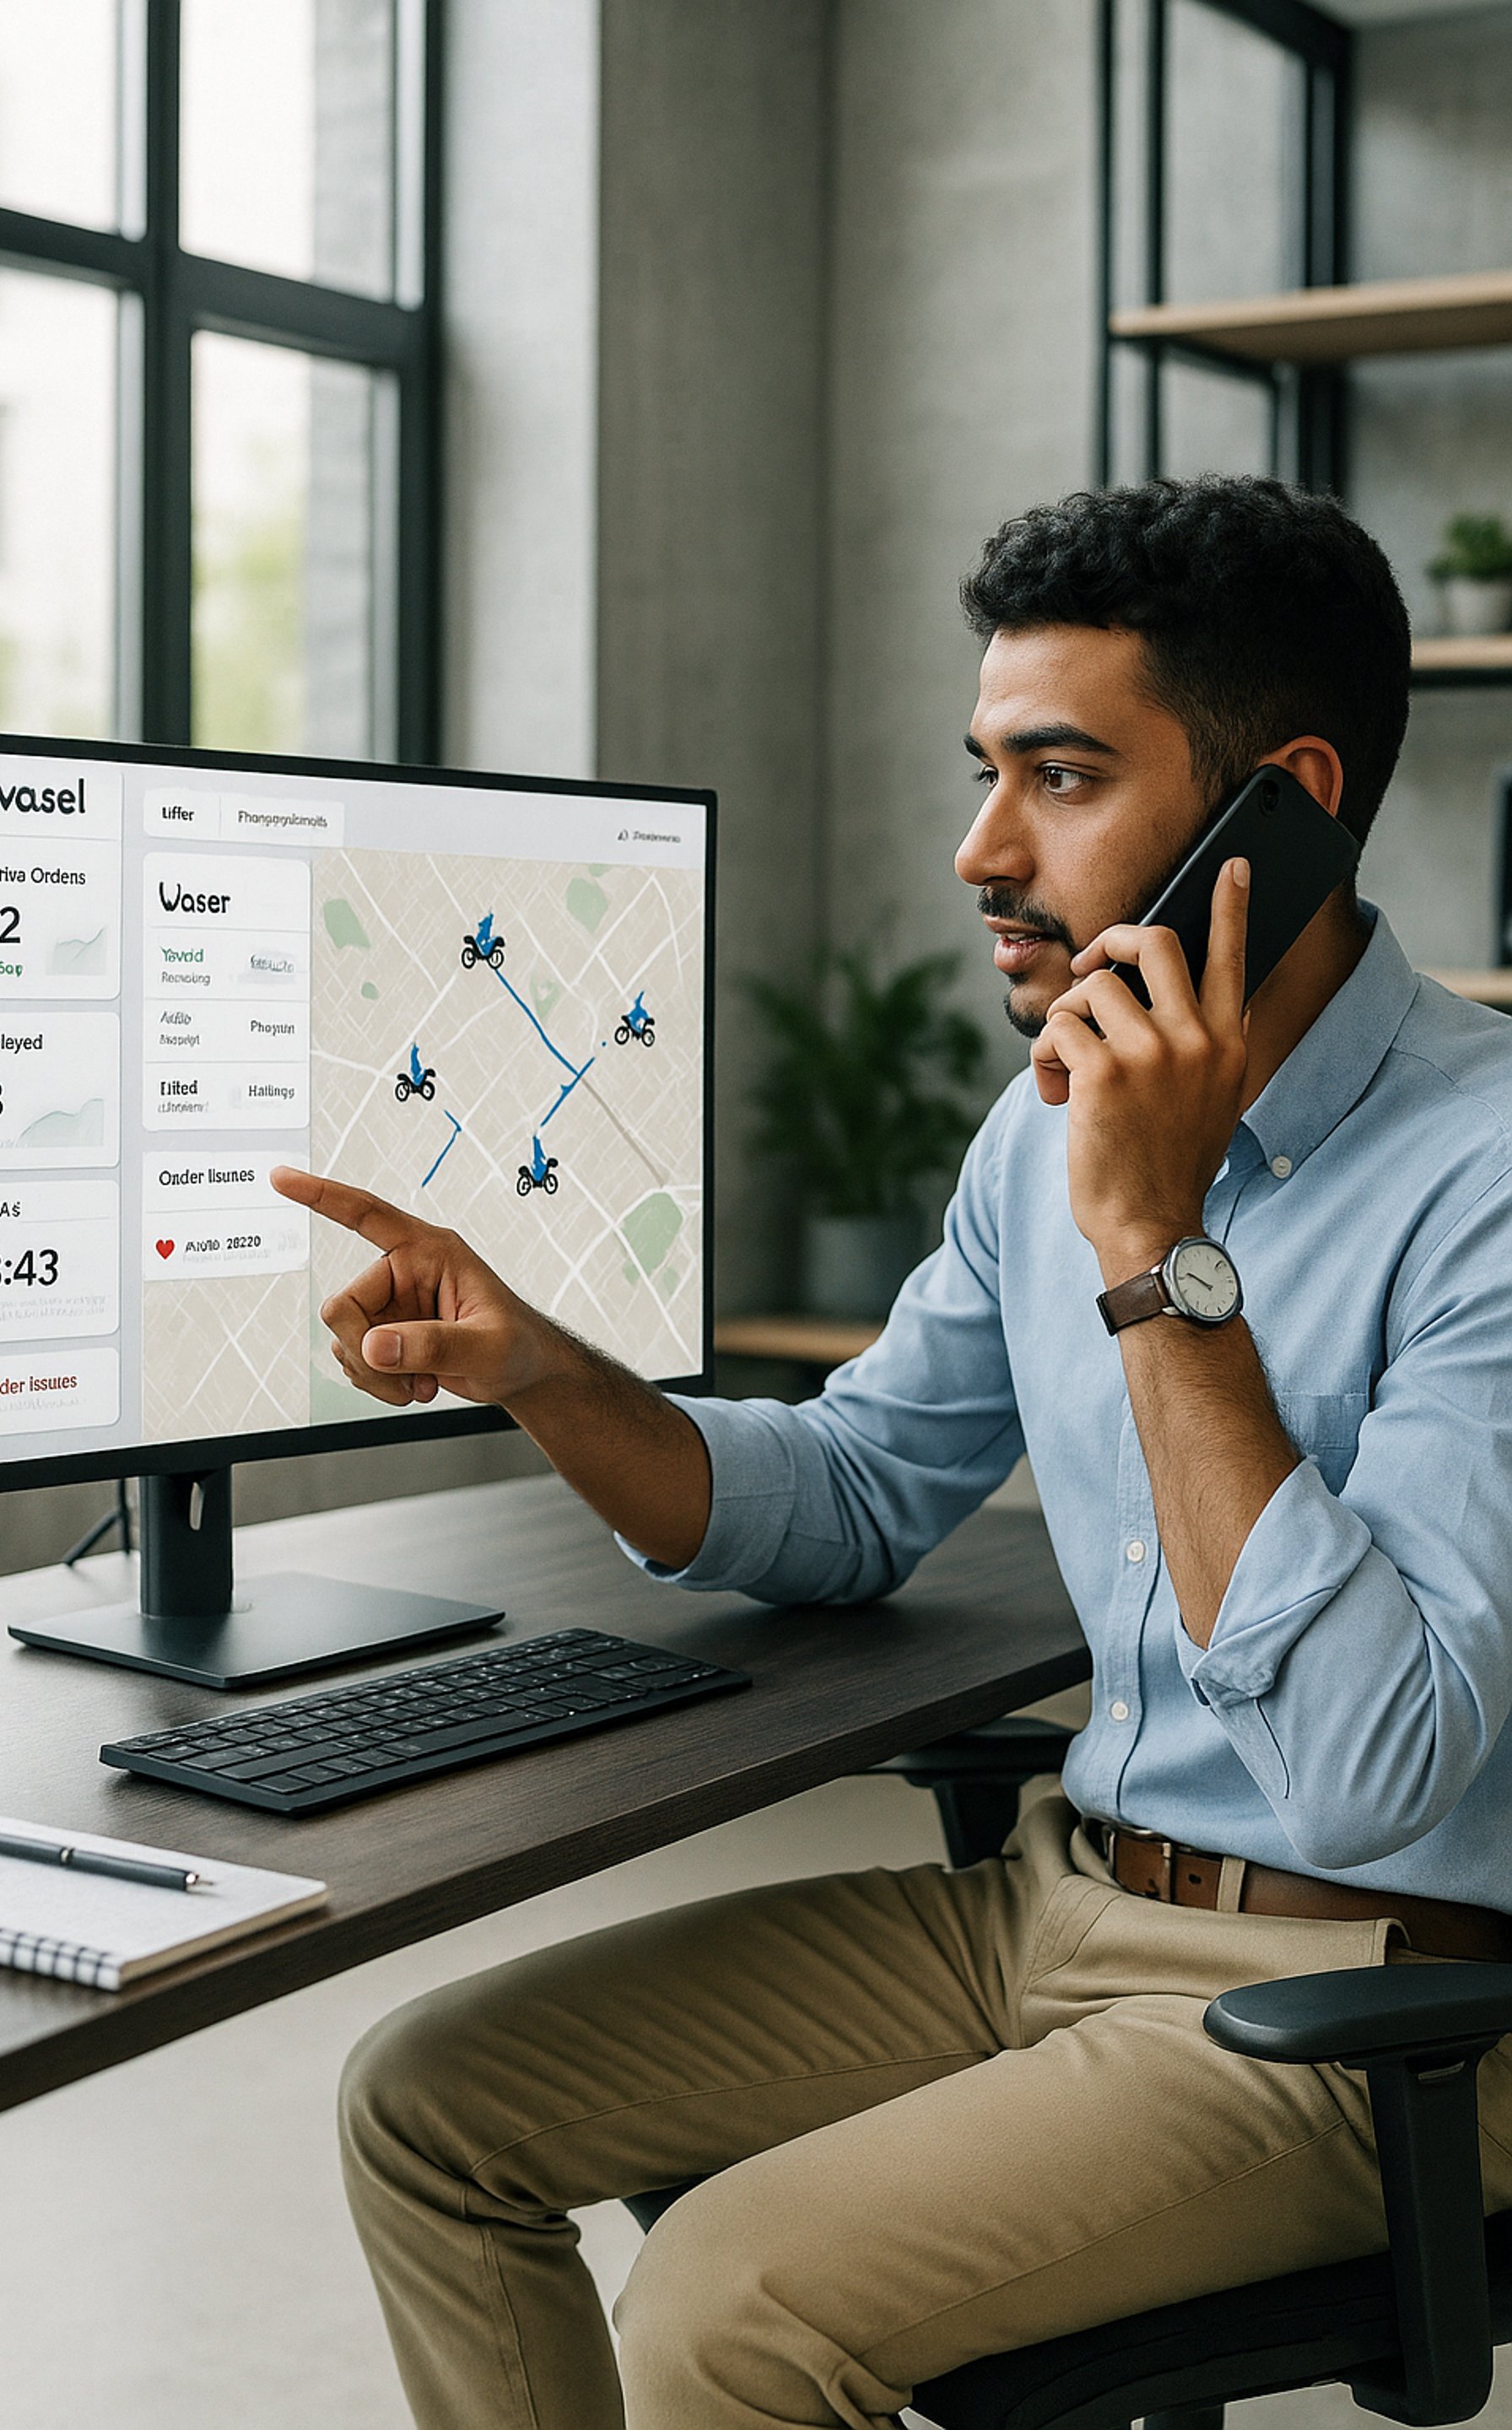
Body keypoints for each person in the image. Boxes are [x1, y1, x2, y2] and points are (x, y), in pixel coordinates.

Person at [270, 475, 1512, 2430]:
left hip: (1373, 2001)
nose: (979, 849)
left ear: (1288, 800)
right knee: (430, 2106)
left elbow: (1376, 1774)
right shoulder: (1040, 1134)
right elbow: (854, 1493)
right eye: (983, 769)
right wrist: (543, 1369)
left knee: (725, 2308)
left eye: (1064, 777)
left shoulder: (1484, 1173)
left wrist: (1153, 1251)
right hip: (1059, 1899)